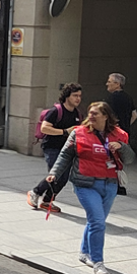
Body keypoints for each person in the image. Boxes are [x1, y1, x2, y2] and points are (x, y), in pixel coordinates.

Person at [46, 101, 135, 274]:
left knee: (96, 221)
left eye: (95, 113)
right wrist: (54, 172)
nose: (91, 116)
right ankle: (98, 262)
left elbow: (130, 159)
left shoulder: (119, 135)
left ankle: (84, 253)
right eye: (90, 113)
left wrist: (122, 147)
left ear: (106, 116)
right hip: (84, 183)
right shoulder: (79, 133)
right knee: (98, 222)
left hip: (109, 184)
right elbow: (65, 154)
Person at [26, 83, 83, 212]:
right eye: (75, 95)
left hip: (68, 149)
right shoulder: (56, 111)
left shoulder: (77, 114)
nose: (78, 99)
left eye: (79, 96)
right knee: (56, 175)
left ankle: (47, 201)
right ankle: (35, 192)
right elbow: (44, 128)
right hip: (52, 147)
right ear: (67, 96)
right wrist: (64, 131)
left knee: (63, 179)